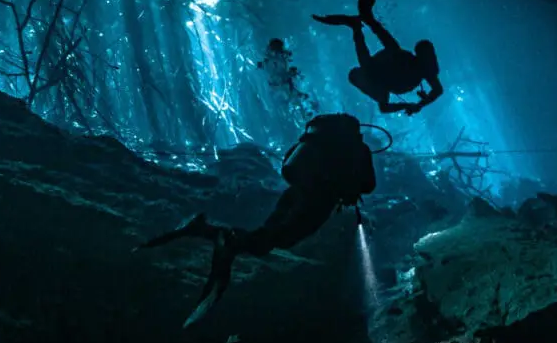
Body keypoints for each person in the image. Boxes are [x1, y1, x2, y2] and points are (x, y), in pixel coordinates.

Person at [134, 113, 377, 327]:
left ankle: (206, 230)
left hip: (293, 193)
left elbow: (288, 161)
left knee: (267, 235)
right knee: (275, 241)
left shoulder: (315, 140)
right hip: (317, 200)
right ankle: (221, 237)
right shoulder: (356, 147)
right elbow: (368, 185)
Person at [313, 0, 443, 117]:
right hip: (394, 68)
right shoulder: (415, 70)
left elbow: (436, 90)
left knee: (385, 52)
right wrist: (415, 105)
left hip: (393, 69)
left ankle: (365, 20)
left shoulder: (382, 82)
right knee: (385, 52)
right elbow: (437, 90)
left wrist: (415, 105)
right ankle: (365, 20)